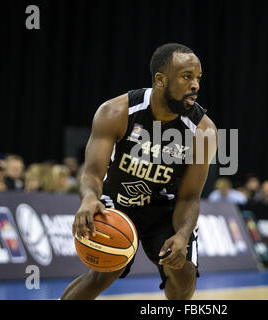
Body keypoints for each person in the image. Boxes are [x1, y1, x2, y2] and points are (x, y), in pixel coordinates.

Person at [61, 43, 217, 300]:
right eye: (187, 77)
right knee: (106, 270)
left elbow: (189, 197)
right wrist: (89, 198)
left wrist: (181, 235)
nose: (196, 85)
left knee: (184, 272)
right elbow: (91, 173)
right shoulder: (116, 112)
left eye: (198, 78)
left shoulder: (203, 132)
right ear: (160, 80)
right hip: (118, 202)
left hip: (166, 208)